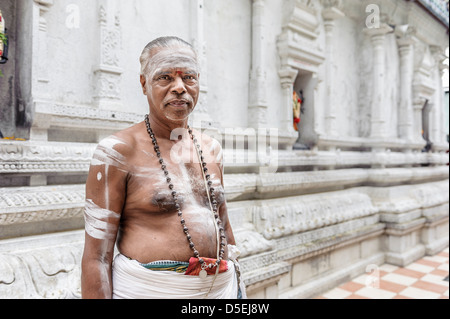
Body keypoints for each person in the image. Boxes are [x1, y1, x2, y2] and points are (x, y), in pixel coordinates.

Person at [81, 36, 245, 299]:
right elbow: (96, 257)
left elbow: (223, 225)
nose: (180, 87)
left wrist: (238, 285)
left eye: (188, 77)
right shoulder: (117, 152)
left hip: (222, 290)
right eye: (166, 77)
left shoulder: (211, 149)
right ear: (144, 83)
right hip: (150, 290)